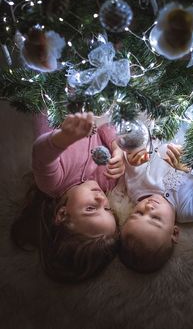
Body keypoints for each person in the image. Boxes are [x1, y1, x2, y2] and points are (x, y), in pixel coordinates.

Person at [11, 111, 125, 282]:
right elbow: (105, 127)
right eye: (107, 208)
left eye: (90, 209)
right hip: (89, 103)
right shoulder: (107, 182)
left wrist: (65, 137)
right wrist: (117, 149)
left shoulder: (53, 183)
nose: (102, 199)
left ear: (62, 214)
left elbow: (41, 154)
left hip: (52, 100)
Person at [119, 142, 193, 273]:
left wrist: (133, 154)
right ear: (174, 232)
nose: (149, 207)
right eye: (156, 218)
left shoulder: (135, 189)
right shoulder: (188, 210)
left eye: (138, 213)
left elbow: (138, 145)